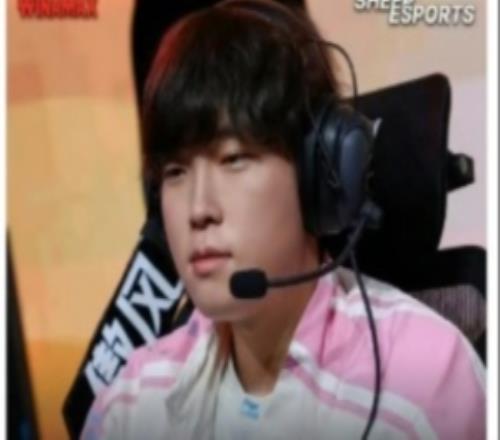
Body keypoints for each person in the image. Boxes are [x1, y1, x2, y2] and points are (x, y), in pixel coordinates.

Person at [80, 1, 485, 439]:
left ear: (319, 172)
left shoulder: (424, 385)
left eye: (233, 159)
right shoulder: (133, 400)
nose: (198, 210)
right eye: (176, 172)